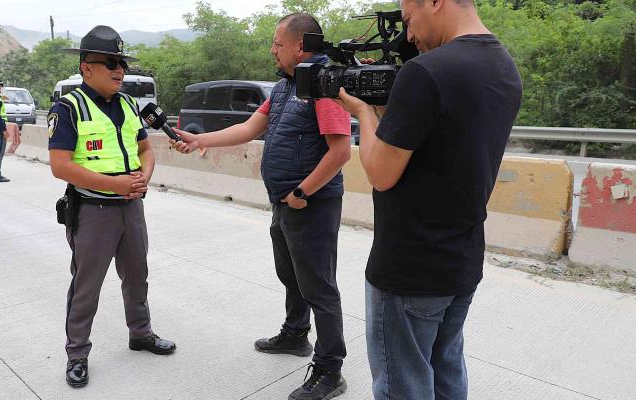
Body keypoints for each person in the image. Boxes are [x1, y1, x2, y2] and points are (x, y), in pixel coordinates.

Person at [336, 0, 523, 398]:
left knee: (402, 386)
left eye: (407, 20)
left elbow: (381, 173)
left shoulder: (426, 71)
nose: (409, 35)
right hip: (461, 260)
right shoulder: (503, 64)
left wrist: (361, 111)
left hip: (410, 269)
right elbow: (436, 140)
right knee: (446, 371)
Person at [172, 13, 351, 400]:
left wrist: (302, 193)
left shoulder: (322, 85)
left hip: (310, 204)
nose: (272, 50)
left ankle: (329, 369)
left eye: (277, 44)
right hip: (285, 202)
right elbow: (250, 127)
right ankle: (294, 334)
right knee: (292, 276)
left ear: (301, 46)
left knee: (319, 287)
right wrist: (200, 140)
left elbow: (340, 152)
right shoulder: (287, 86)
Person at [48, 25, 176, 389]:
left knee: (137, 274)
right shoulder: (69, 108)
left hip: (131, 207)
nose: (120, 70)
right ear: (86, 67)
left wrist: (142, 178)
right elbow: (61, 166)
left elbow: (146, 150)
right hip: (92, 211)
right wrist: (116, 184)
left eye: (121, 63)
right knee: (87, 284)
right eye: (110, 63)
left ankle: (141, 333)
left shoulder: (127, 104)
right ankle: (77, 354)